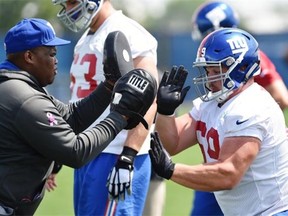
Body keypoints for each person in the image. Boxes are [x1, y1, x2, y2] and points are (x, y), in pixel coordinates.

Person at [0, 17, 156, 215]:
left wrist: (109, 86)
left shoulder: (15, 86)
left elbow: (70, 117)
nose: (55, 60)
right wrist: (120, 116)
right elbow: (75, 151)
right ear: (29, 57)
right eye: (51, 53)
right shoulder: (25, 99)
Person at [149, 27, 288, 215]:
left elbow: (228, 174)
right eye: (207, 70)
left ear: (242, 68)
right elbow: (174, 142)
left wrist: (171, 169)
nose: (209, 78)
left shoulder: (251, 107)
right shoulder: (214, 101)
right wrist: (165, 111)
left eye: (217, 70)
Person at [52, 0, 158, 215]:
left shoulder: (127, 31)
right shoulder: (87, 37)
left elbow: (148, 97)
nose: (69, 10)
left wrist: (128, 155)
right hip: (87, 150)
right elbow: (78, 100)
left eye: (72, 2)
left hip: (113, 152)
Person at [190, 1, 288, 215]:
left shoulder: (249, 57)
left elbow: (281, 96)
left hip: (248, 148)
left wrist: (264, 124)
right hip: (223, 148)